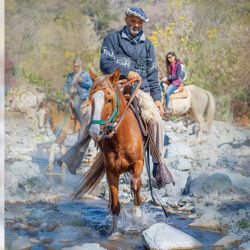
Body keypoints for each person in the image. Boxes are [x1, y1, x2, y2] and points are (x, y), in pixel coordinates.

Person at [100, 7, 166, 178]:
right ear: (126, 19)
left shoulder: (148, 45)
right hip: (116, 87)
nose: (136, 24)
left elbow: (152, 74)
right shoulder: (112, 39)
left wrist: (157, 98)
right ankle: (78, 153)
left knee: (157, 122)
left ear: (142, 23)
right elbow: (105, 63)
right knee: (89, 114)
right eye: (132, 20)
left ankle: (158, 164)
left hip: (141, 90)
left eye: (139, 22)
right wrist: (126, 72)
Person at [63, 57, 93, 125]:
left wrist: (82, 81)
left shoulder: (85, 74)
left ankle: (83, 125)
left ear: (81, 66)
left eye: (77, 66)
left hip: (80, 96)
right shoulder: (70, 75)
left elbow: (90, 84)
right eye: (74, 66)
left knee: (76, 106)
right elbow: (66, 85)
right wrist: (65, 93)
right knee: (61, 106)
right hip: (71, 96)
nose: (75, 68)